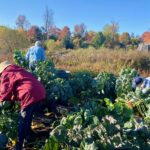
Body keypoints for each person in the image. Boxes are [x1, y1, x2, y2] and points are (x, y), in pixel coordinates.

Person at [0, 61, 46, 150]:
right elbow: (17, 87)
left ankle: (18, 146)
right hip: (40, 92)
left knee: (23, 121)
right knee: (28, 118)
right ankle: (30, 137)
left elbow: (5, 93)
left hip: (30, 94)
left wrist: (2, 102)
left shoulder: (6, 73)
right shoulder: (18, 70)